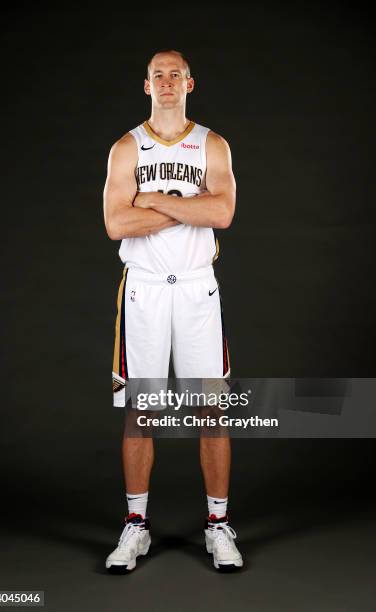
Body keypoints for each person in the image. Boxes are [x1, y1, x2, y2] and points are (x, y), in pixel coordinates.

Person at [102, 49, 243, 573]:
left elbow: (222, 211)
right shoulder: (126, 148)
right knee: (142, 412)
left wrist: (153, 200)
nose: (166, 82)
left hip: (196, 290)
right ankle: (135, 526)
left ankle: (218, 525)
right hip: (143, 290)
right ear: (146, 86)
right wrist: (186, 204)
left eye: (174, 74)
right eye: (157, 74)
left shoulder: (212, 144)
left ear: (189, 83)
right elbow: (116, 225)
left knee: (212, 410)